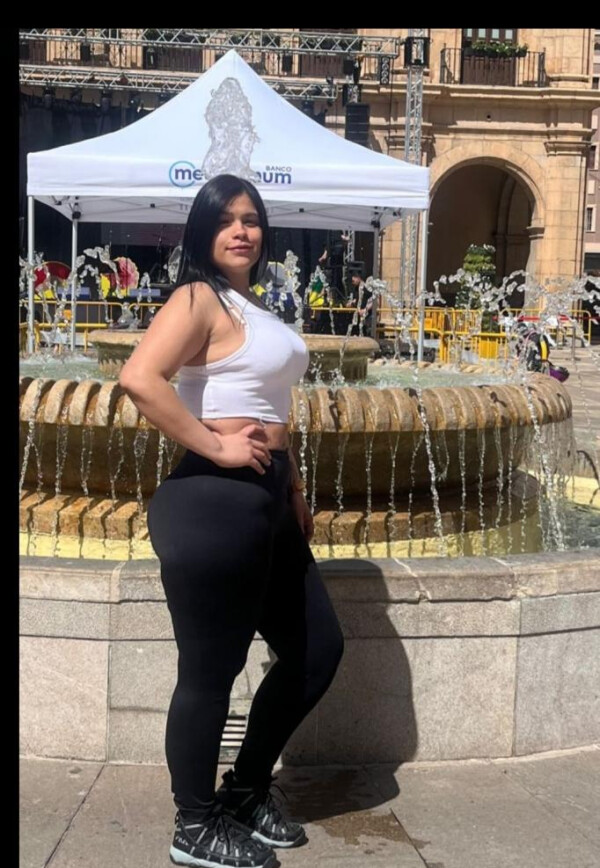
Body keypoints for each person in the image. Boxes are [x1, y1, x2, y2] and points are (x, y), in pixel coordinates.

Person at [119, 174, 344, 868]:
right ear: (203, 231)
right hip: (213, 497)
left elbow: (272, 405)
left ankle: (244, 791)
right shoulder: (197, 297)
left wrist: (293, 485)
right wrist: (216, 446)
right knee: (211, 672)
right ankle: (194, 823)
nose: (241, 231)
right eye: (225, 220)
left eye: (250, 219)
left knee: (317, 650)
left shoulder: (255, 305)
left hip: (266, 497)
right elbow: (139, 378)